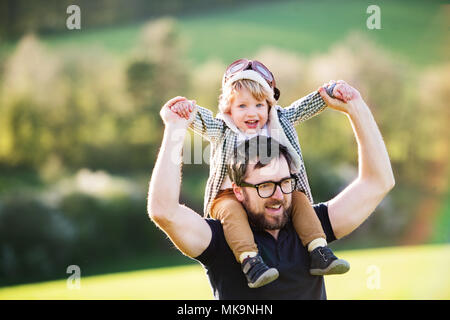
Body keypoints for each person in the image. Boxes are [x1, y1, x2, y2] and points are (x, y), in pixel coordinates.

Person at [147, 81, 395, 299]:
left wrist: (356, 107)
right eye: (264, 186)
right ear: (239, 191)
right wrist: (175, 129)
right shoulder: (220, 239)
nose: (278, 195)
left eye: (285, 182)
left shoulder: (310, 224)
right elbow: (163, 210)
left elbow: (378, 183)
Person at [164, 59, 350, 288]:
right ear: (228, 109)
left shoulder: (278, 122)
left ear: (270, 106)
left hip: (275, 189)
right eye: (242, 106)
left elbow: (304, 106)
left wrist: (330, 91)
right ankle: (250, 261)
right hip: (228, 194)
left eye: (259, 105)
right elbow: (203, 121)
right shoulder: (223, 129)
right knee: (230, 212)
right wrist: (186, 110)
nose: (252, 113)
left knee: (300, 200)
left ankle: (319, 250)